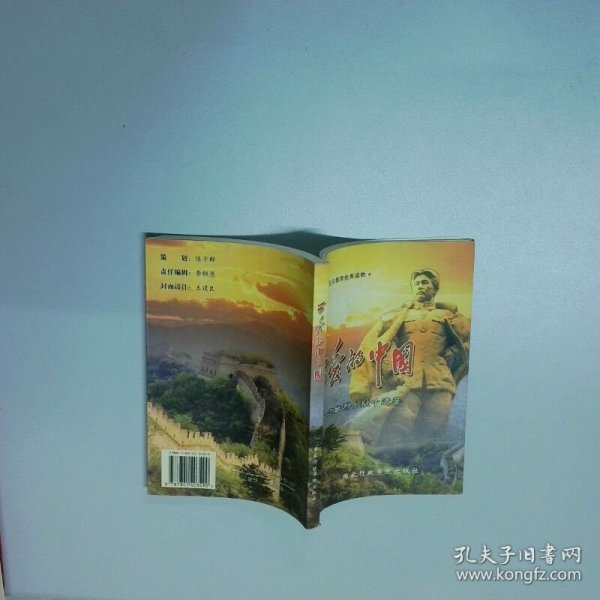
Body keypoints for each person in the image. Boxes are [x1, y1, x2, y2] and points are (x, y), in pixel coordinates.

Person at [349, 269, 470, 449]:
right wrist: (394, 368)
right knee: (398, 429)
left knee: (434, 430)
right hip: (407, 381)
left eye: (425, 282)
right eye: (417, 283)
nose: (420, 286)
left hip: (440, 380)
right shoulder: (398, 317)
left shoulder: (449, 316)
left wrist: (453, 353)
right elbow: (379, 344)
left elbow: (469, 341)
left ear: (435, 289)